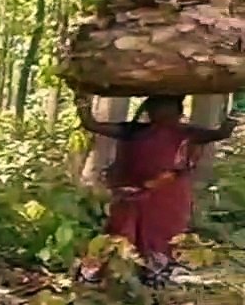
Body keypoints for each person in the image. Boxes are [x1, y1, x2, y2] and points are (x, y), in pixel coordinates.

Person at [75, 93, 238, 285]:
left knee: (164, 237)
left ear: (178, 112)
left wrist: (233, 114)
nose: (162, 113)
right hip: (133, 193)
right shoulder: (134, 130)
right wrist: (82, 102)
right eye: (158, 108)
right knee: (123, 233)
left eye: (168, 109)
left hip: (169, 194)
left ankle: (156, 271)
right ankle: (119, 270)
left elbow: (221, 133)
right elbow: (92, 124)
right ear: (150, 111)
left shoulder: (186, 132)